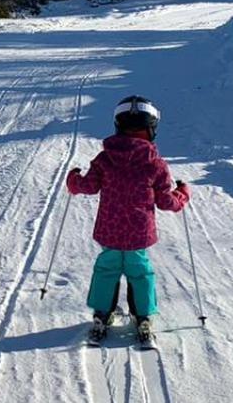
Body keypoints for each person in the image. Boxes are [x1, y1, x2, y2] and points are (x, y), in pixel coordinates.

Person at [65, 95, 190, 344]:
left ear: (118, 125)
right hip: (138, 234)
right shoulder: (155, 164)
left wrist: (73, 180)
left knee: (106, 269)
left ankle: (102, 314)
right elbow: (167, 202)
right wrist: (182, 194)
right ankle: (143, 316)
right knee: (140, 272)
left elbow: (88, 186)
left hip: (110, 232)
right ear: (151, 129)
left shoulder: (105, 159)